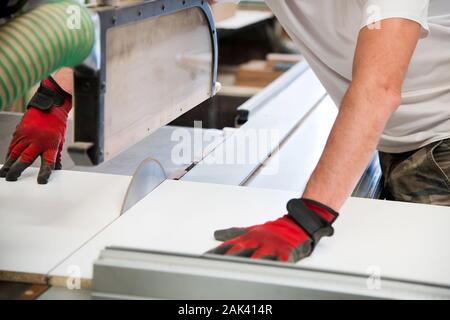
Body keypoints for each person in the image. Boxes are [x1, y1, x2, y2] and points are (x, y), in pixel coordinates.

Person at [2, 0, 450, 263]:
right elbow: (163, 12)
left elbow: (378, 87)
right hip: (399, 143)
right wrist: (58, 91)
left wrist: (308, 217)